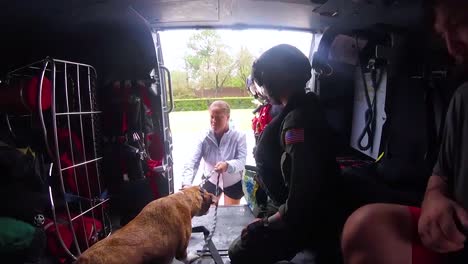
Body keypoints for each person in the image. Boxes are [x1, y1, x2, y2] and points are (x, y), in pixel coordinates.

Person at [341, 1, 468, 263]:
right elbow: (440, 175)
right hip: (457, 240)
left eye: (459, 25)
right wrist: (434, 198)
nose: (451, 45)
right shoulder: (463, 99)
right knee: (365, 228)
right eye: (443, 34)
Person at [228, 44, 341, 264]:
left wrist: (267, 223)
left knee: (238, 252)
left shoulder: (296, 122)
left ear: (274, 80)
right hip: (296, 206)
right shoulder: (307, 107)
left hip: (304, 218)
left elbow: (302, 194)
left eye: (263, 81)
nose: (262, 87)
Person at [181, 100, 247, 205]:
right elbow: (192, 161)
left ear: (228, 117)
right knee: (209, 215)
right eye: (212, 117)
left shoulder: (239, 136)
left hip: (233, 182)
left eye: (219, 117)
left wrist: (227, 165)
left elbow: (241, 160)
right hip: (210, 180)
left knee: (230, 214)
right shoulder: (203, 136)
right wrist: (186, 184)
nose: (214, 121)